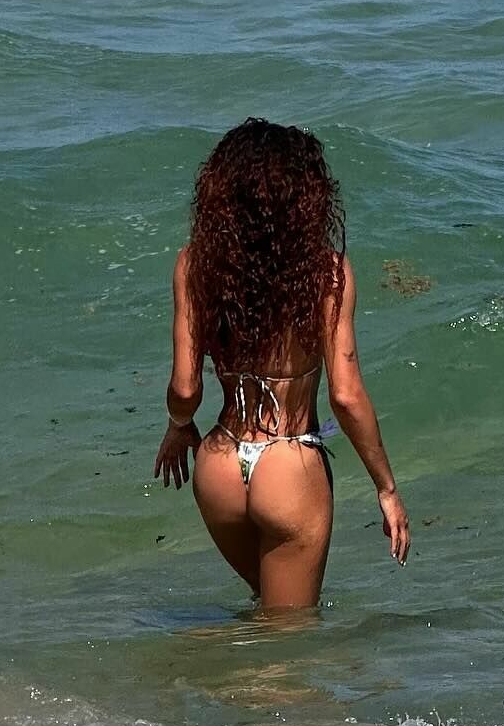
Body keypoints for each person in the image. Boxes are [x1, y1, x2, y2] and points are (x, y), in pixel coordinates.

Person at [153, 118, 409, 610]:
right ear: (306, 200)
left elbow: (185, 388)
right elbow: (346, 396)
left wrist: (178, 427)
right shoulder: (328, 274)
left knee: (264, 612)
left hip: (219, 467)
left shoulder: (194, 265)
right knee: (288, 639)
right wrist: (387, 488)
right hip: (288, 467)